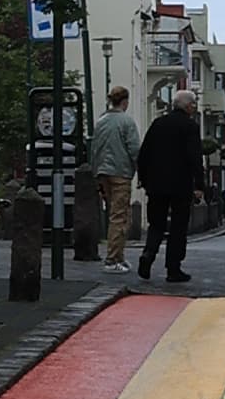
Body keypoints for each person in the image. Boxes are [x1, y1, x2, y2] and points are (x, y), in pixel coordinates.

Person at [133, 83, 205, 287]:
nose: (195, 108)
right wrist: (199, 185)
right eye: (194, 104)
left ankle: (148, 254)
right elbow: (195, 158)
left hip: (156, 184)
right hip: (180, 185)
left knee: (156, 223)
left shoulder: (158, 123)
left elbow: (144, 153)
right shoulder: (190, 127)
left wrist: (144, 180)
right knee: (178, 226)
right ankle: (173, 268)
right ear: (189, 106)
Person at [81, 83, 138, 269]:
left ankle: (119, 256)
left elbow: (94, 148)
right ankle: (113, 259)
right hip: (120, 172)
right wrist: (141, 170)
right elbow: (134, 149)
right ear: (125, 101)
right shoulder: (126, 122)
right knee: (119, 216)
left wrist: (96, 172)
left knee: (115, 214)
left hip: (103, 172)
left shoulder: (101, 121)